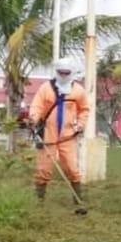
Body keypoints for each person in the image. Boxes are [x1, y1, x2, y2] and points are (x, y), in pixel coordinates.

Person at [29, 58, 89, 214]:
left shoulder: (78, 91)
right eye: (60, 72)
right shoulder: (45, 89)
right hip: (48, 134)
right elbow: (37, 106)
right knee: (43, 168)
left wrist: (80, 124)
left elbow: (84, 109)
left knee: (72, 167)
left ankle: (78, 199)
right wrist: (34, 119)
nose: (63, 75)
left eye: (66, 73)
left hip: (68, 134)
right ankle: (38, 201)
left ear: (72, 73)